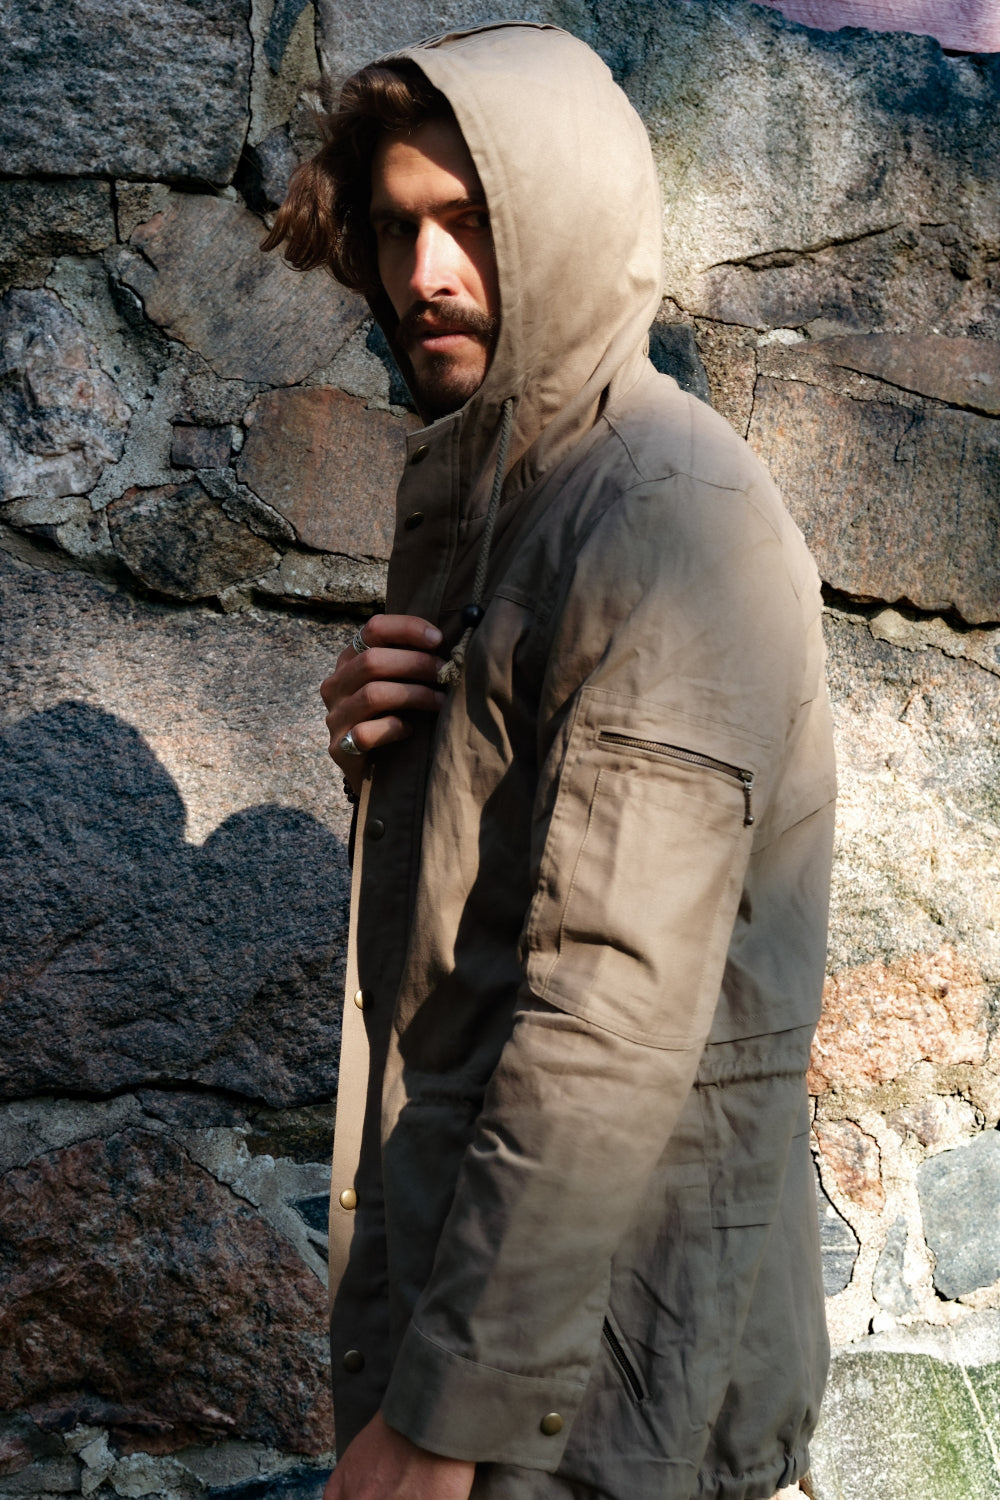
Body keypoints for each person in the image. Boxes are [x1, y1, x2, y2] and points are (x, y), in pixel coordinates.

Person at [264, 22, 836, 1500]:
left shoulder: (657, 511)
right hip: (520, 1368)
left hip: (590, 1403)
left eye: (470, 222)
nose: (425, 274)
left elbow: (610, 1011)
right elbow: (512, 896)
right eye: (397, 228)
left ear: (567, 225)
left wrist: (447, 1413)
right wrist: (395, 758)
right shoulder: (511, 499)